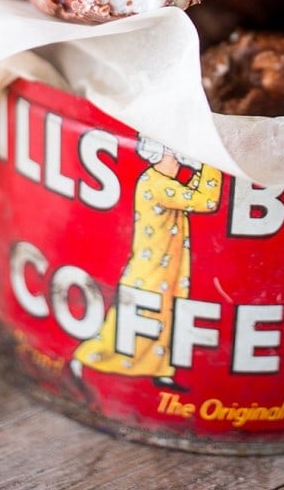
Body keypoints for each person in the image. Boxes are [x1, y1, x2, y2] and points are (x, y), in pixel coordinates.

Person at [71, 135, 222, 389]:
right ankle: (84, 359)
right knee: (136, 317)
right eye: (176, 155)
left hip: (167, 264)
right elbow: (206, 201)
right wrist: (210, 164)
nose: (180, 162)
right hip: (151, 266)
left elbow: (191, 195)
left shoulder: (164, 182)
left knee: (166, 313)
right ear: (162, 153)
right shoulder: (157, 184)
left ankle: (162, 371)